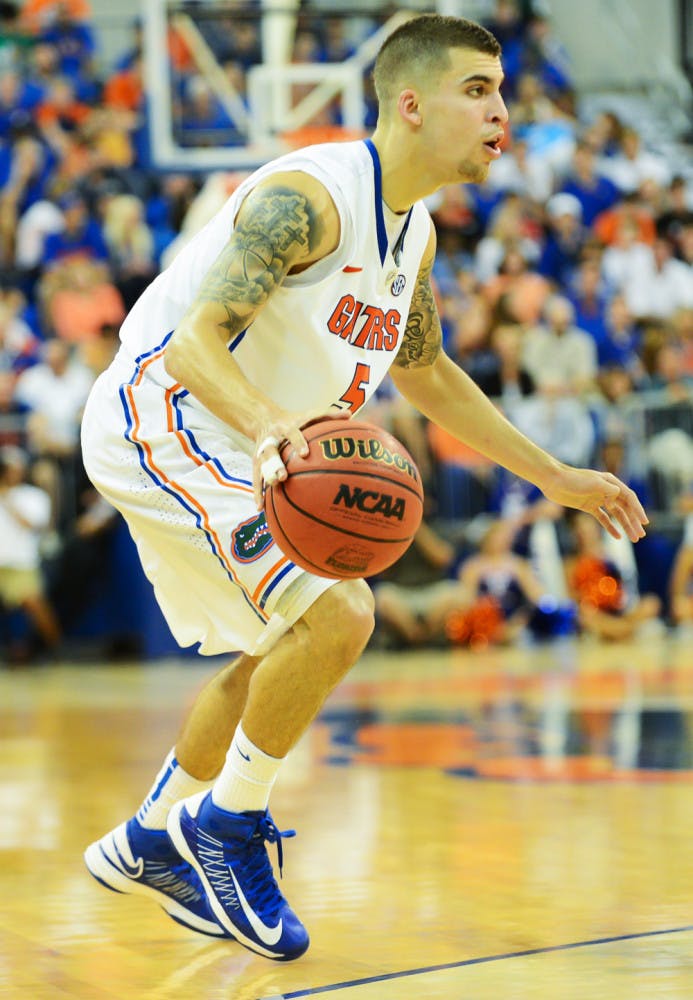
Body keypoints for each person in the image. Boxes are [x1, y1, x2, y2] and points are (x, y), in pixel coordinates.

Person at [80, 14, 648, 962]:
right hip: (168, 415)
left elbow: (425, 374)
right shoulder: (312, 197)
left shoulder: (410, 234)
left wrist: (552, 477)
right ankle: (223, 829)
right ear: (411, 103)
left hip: (251, 441)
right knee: (339, 613)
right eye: (478, 91)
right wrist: (269, 428)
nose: (501, 112)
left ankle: (155, 835)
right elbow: (190, 345)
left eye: (502, 91)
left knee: (286, 645)